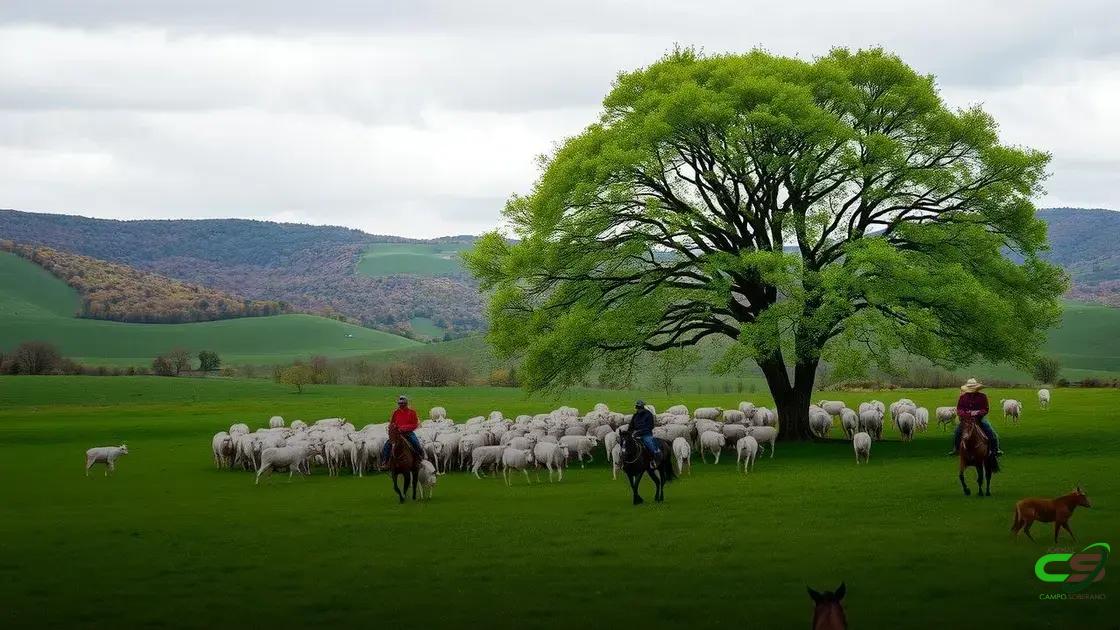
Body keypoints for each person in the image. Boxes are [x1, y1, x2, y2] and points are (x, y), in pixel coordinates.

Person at [950, 378, 1002, 456]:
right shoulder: (963, 397)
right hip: (966, 420)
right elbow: (959, 409)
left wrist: (977, 413)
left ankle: (995, 449)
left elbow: (985, 409)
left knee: (990, 432)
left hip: (979, 419)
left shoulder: (983, 396)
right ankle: (957, 449)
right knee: (957, 432)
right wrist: (967, 414)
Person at [381, 395, 424, 465]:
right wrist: (392, 427)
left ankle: (420, 458)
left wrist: (404, 428)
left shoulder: (412, 412)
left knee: (415, 442)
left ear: (406, 404)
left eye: (403, 403)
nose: (401, 405)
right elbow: (392, 422)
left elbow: (415, 424)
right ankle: (385, 461)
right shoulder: (396, 412)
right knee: (387, 445)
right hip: (397, 434)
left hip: (408, 433)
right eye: (400, 403)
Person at [630, 400, 661, 465]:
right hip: (635, 435)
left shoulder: (648, 414)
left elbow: (650, 426)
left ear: (642, 407)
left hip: (646, 434)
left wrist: (640, 432)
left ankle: (656, 458)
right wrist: (629, 432)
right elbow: (631, 425)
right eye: (637, 408)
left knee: (650, 443)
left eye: (640, 408)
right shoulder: (635, 415)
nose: (638, 409)